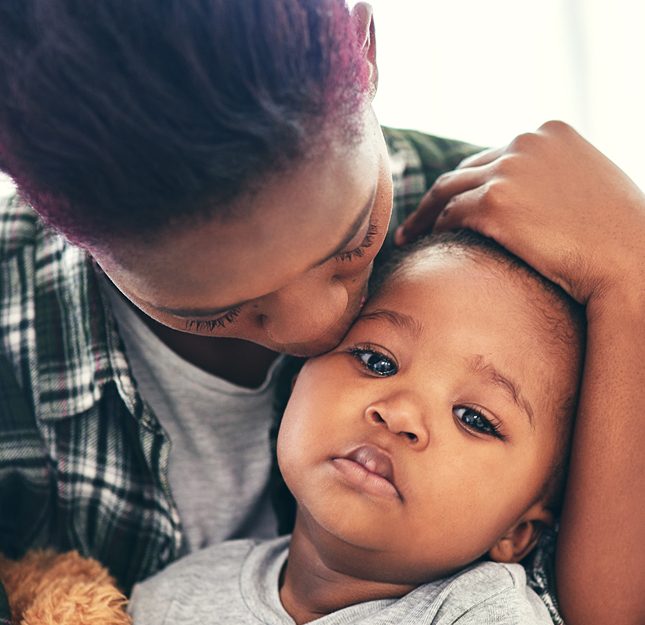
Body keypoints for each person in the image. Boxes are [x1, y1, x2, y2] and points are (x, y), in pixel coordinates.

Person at [0, 1, 645, 624]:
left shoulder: (520, 262)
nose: (319, 330)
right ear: (59, 223)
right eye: (219, 309)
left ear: (366, 45)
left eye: (352, 244)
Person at [128, 231, 584, 625]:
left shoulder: (483, 614)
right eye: (377, 361)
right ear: (295, 384)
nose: (400, 414)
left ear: (517, 533)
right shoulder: (174, 595)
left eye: (474, 419)